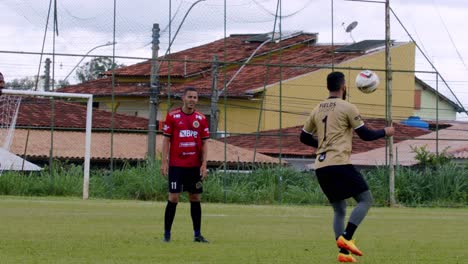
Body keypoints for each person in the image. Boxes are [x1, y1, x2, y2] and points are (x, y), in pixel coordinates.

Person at [300, 71, 394, 262]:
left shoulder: (317, 108)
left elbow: (303, 137)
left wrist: (322, 145)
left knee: (339, 209)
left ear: (328, 87)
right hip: (339, 163)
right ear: (343, 87)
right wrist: (386, 131)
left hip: (321, 166)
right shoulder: (347, 107)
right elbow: (366, 135)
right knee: (366, 200)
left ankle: (343, 254)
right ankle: (347, 236)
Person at [161, 86, 210, 243]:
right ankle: (167, 235)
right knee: (174, 197)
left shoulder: (201, 119)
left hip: (194, 166)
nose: (192, 100)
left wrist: (204, 164)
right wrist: (164, 162)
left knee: (195, 197)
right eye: (189, 97)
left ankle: (197, 235)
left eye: (195, 97)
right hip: (176, 165)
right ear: (183, 98)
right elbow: (166, 140)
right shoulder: (172, 116)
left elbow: (205, 143)